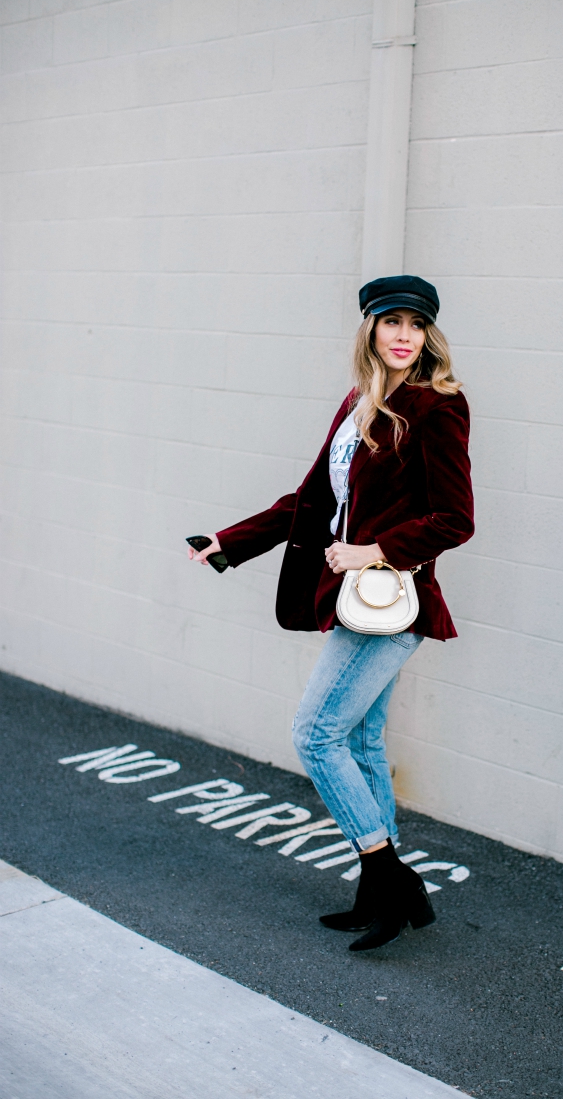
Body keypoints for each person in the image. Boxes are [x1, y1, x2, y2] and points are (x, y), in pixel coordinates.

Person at [188, 275, 474, 951]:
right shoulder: (358, 404)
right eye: (390, 322)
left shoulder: (437, 407)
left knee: (316, 735)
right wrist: (229, 543)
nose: (403, 335)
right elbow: (311, 501)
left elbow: (454, 520)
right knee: (365, 742)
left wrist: (373, 549)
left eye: (415, 324)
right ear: (370, 329)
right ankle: (379, 893)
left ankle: (389, 876)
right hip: (354, 602)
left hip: (393, 604)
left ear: (428, 335)